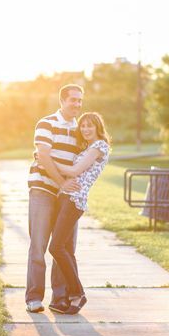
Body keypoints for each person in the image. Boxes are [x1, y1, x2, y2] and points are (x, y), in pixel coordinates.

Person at [44, 112, 111, 315]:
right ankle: (69, 296)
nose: (86, 129)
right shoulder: (87, 148)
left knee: (55, 247)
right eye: (82, 126)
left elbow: (74, 172)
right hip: (65, 198)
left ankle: (78, 292)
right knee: (63, 248)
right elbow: (72, 171)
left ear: (98, 127)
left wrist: (47, 160)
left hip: (75, 200)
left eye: (90, 125)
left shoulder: (100, 146)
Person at [25, 84, 84, 312]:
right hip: (44, 190)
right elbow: (43, 157)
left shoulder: (80, 129)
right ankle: (33, 298)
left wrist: (70, 188)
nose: (77, 104)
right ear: (62, 101)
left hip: (67, 197)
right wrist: (61, 183)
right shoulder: (46, 123)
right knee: (38, 244)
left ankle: (58, 298)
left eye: (80, 100)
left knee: (62, 247)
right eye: (73, 100)